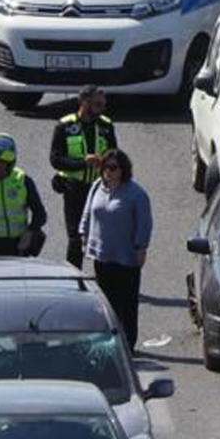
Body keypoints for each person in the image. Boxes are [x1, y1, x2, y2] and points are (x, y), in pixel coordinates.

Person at [80, 149, 151, 350]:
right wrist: (83, 234)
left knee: (126, 304)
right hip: (102, 256)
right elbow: (88, 212)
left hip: (126, 257)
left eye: (113, 168)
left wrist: (141, 247)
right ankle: (109, 343)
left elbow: (144, 223)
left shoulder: (136, 194)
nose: (108, 172)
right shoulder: (97, 186)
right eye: (105, 167)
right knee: (105, 304)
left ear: (123, 170)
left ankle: (128, 344)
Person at [49, 84, 118, 268]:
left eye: (103, 104)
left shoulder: (106, 125)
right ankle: (73, 275)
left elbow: (115, 156)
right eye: (97, 104)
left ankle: (103, 277)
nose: (102, 109)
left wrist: (105, 162)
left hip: (100, 189)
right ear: (83, 102)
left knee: (101, 236)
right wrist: (83, 162)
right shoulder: (65, 125)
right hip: (74, 189)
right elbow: (56, 160)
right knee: (75, 238)